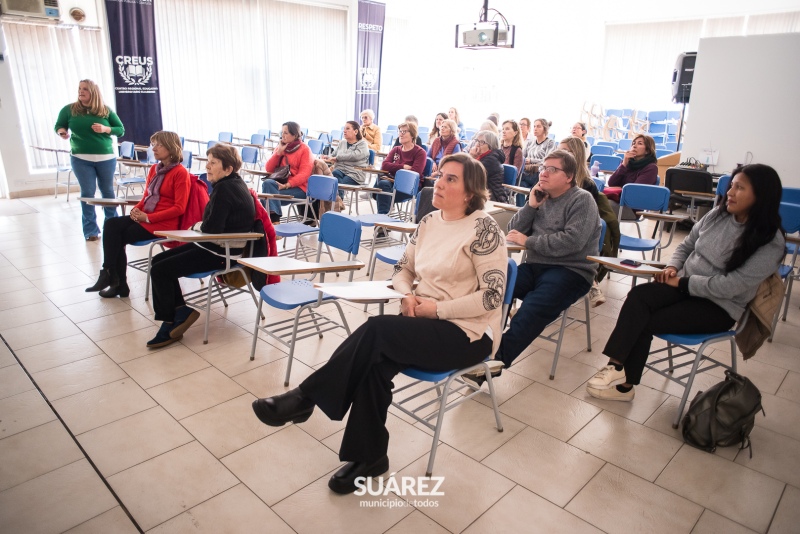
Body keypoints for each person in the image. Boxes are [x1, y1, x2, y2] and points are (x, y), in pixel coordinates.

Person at [251, 152, 508, 494]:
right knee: (374, 362)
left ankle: (304, 398)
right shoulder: (430, 222)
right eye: (440, 175)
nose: (439, 183)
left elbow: (492, 297)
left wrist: (436, 309)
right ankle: (369, 457)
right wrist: (406, 295)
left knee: (376, 330)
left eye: (451, 179)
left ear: (471, 193)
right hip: (422, 321)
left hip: (468, 332)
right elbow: (403, 270)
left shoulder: (484, 229)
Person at [587, 164, 785, 401]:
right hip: (683, 286)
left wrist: (682, 283)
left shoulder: (770, 241)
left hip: (718, 306)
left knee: (646, 320)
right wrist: (672, 268)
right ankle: (616, 367)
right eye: (732, 185)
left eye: (739, 188)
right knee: (639, 297)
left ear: (761, 196)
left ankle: (625, 387)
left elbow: (732, 285)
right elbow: (687, 245)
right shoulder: (717, 215)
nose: (730, 192)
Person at [463, 150, 601, 385]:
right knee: (490, 288)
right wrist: (531, 205)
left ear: (568, 176)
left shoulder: (582, 200)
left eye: (551, 169)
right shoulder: (540, 196)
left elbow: (572, 241)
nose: (543, 173)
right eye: (542, 168)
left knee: (531, 309)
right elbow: (515, 229)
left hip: (571, 271)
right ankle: (474, 344)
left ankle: (491, 364)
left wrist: (529, 242)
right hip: (535, 265)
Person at [147, 144, 255, 348]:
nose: (207, 167)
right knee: (158, 261)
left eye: (213, 163)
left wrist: (196, 226)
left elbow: (212, 229)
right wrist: (201, 228)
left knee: (161, 269)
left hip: (221, 252)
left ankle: (170, 321)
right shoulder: (234, 183)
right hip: (216, 246)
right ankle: (180, 310)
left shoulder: (224, 189)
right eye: (208, 162)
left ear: (228, 169)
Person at [85, 131, 191, 299]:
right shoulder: (155, 169)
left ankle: (117, 282)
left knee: (119, 236)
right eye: (153, 144)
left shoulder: (180, 173)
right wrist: (136, 211)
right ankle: (109, 273)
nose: (153, 148)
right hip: (146, 216)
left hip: (162, 223)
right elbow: (146, 197)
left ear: (171, 148)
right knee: (112, 224)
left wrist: (148, 218)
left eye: (159, 145)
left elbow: (179, 208)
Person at [54, 79, 125, 241]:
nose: (81, 91)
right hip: (80, 158)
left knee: (107, 192)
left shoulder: (105, 111)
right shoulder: (69, 110)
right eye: (79, 88)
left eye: (85, 89)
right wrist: (62, 132)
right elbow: (59, 125)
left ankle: (112, 226)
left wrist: (106, 129)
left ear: (93, 92)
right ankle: (91, 231)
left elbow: (120, 130)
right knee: (87, 193)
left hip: (106, 158)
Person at [558, 136, 620, 307]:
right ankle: (590, 280)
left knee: (570, 240)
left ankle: (588, 278)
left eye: (566, 151)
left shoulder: (586, 184)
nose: (561, 154)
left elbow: (582, 218)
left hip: (576, 228)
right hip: (556, 227)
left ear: (575, 155)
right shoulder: (550, 177)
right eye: (560, 150)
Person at [261, 121, 313, 223]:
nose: (282, 135)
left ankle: (274, 224)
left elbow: (304, 174)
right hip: (281, 185)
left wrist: (287, 185)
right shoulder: (281, 147)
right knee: (266, 190)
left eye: (286, 133)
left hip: (300, 188)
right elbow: (269, 169)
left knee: (266, 196)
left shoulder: (305, 149)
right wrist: (278, 153)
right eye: (282, 132)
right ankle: (274, 223)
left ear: (294, 134)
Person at [376, 121, 427, 216]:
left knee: (383, 194)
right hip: (391, 181)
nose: (401, 134)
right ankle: (383, 220)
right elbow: (385, 165)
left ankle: (382, 222)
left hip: (409, 185)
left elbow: (415, 172)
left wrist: (394, 169)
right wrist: (402, 167)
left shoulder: (420, 152)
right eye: (400, 131)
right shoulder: (396, 149)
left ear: (412, 135)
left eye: (404, 131)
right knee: (383, 184)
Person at [322, 120, 369, 205]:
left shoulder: (363, 144)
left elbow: (355, 156)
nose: (344, 131)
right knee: (335, 173)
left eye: (347, 128)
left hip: (355, 174)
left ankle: (337, 204)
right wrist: (327, 157)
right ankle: (338, 204)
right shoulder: (342, 143)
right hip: (340, 171)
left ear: (355, 131)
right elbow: (333, 155)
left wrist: (337, 158)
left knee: (338, 183)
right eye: (344, 128)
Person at [604, 133, 658, 205]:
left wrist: (619, 189)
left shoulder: (651, 168)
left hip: (631, 206)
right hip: (619, 200)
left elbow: (634, 190)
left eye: (640, 143)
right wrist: (624, 164)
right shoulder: (627, 163)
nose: (634, 146)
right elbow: (611, 183)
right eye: (633, 143)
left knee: (601, 205)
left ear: (647, 150)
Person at [518, 118, 557, 207]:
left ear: (545, 129)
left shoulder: (550, 143)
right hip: (527, 173)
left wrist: (531, 160)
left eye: (538, 126)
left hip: (539, 173)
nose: (535, 128)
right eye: (534, 126)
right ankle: (521, 209)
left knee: (528, 186)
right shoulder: (530, 142)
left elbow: (548, 160)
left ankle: (528, 207)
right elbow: (523, 157)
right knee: (520, 185)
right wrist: (526, 160)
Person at [469, 130, 508, 203]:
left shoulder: (491, 160)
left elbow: (470, 174)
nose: (477, 144)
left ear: (490, 146)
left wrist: (472, 157)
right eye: (477, 141)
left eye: (482, 142)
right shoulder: (482, 157)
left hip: (494, 198)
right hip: (482, 194)